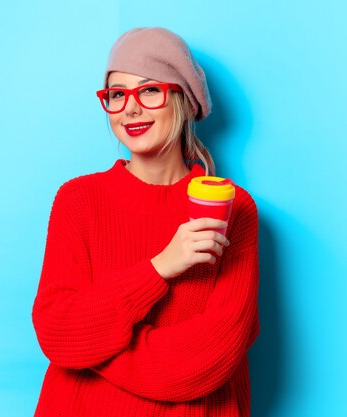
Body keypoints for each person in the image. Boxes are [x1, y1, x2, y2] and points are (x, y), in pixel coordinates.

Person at [31, 27, 259, 417]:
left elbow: (210, 357)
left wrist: (90, 346)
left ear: (186, 101)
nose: (130, 109)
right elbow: (57, 331)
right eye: (117, 95)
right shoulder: (78, 200)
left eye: (149, 90)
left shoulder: (233, 208)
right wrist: (159, 268)